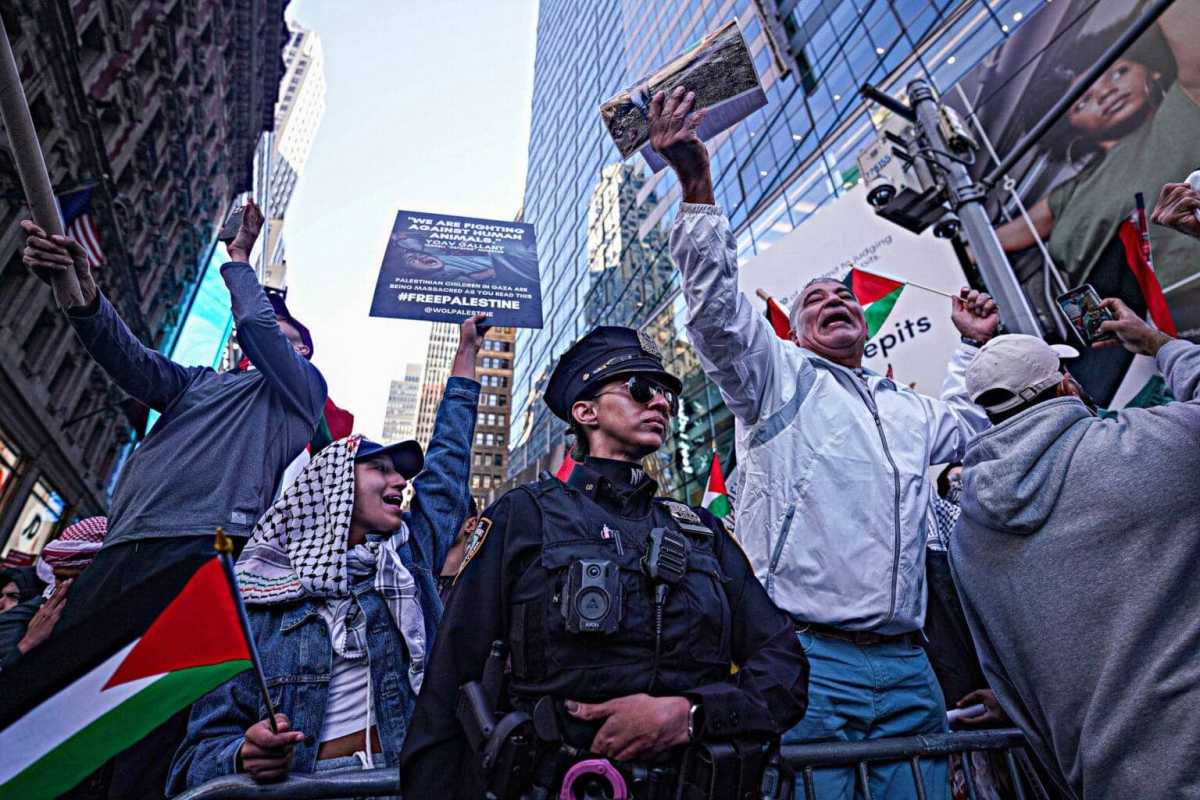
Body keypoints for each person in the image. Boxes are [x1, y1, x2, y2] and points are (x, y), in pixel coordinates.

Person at [649, 84, 1000, 799]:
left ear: (865, 326)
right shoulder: (774, 381)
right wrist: (695, 188)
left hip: (910, 664)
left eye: (846, 296)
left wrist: (969, 349)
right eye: (815, 299)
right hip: (809, 660)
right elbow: (715, 312)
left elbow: (970, 424)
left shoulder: (908, 410)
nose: (834, 299)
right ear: (796, 332)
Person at [400, 326, 809, 799]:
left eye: (666, 395)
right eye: (639, 388)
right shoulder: (523, 516)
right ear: (585, 412)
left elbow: (783, 664)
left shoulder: (701, 532)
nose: (660, 403)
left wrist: (691, 713)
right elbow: (451, 679)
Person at [19, 200, 326, 797]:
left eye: (293, 343)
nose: (270, 342)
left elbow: (264, 329)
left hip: (203, 553)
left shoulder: (302, 394)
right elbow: (129, 359)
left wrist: (239, 260)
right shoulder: (198, 383)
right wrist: (80, 290)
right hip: (121, 551)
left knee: (148, 726)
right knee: (65, 713)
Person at [168, 314, 485, 794]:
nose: (400, 482)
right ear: (333, 486)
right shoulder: (256, 602)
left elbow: (448, 465)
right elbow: (196, 757)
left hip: (407, 781)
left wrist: (467, 352)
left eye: (400, 473)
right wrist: (244, 753)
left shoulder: (408, 561)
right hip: (307, 788)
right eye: (380, 469)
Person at [949, 305, 1199, 798]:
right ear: (1066, 385)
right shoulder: (1148, 445)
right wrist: (1158, 343)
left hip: (1108, 778)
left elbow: (1008, 678)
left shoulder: (969, 537)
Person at [993, 3, 1200, 353]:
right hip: (1131, 343)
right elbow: (988, 244)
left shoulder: (1183, 106)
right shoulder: (1068, 192)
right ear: (1069, 125)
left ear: (1148, 70)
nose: (1105, 93)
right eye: (1082, 100)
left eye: (1118, 72)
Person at [0, 517, 107, 672]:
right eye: (59, 578)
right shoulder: (30, 615)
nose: (61, 586)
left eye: (73, 579)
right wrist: (26, 645)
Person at [436, 497, 478, 602]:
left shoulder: (477, 586)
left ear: (470, 524)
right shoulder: (412, 577)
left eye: (446, 513)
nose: (435, 519)